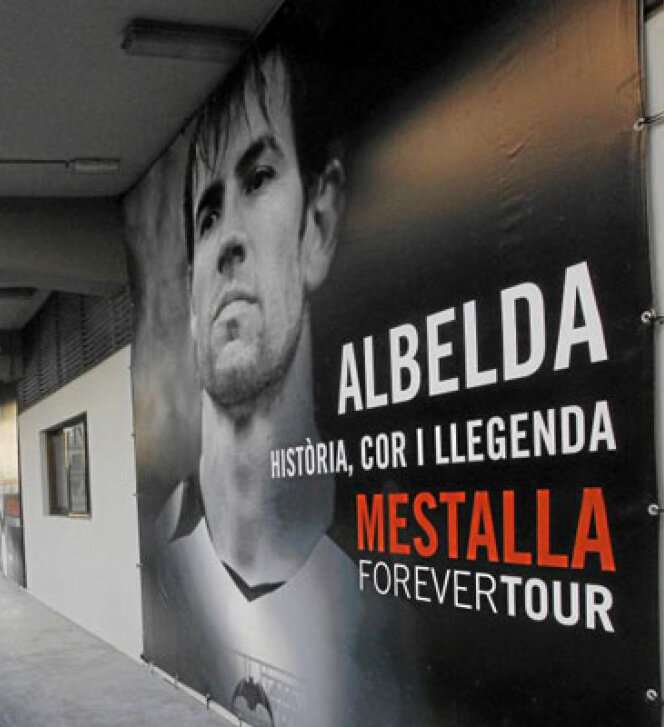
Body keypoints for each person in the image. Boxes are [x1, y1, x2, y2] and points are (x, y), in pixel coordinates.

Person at [154, 38, 421, 727]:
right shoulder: (160, 557)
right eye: (207, 215)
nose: (228, 239)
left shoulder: (388, 604)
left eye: (260, 177)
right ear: (190, 299)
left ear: (318, 224)